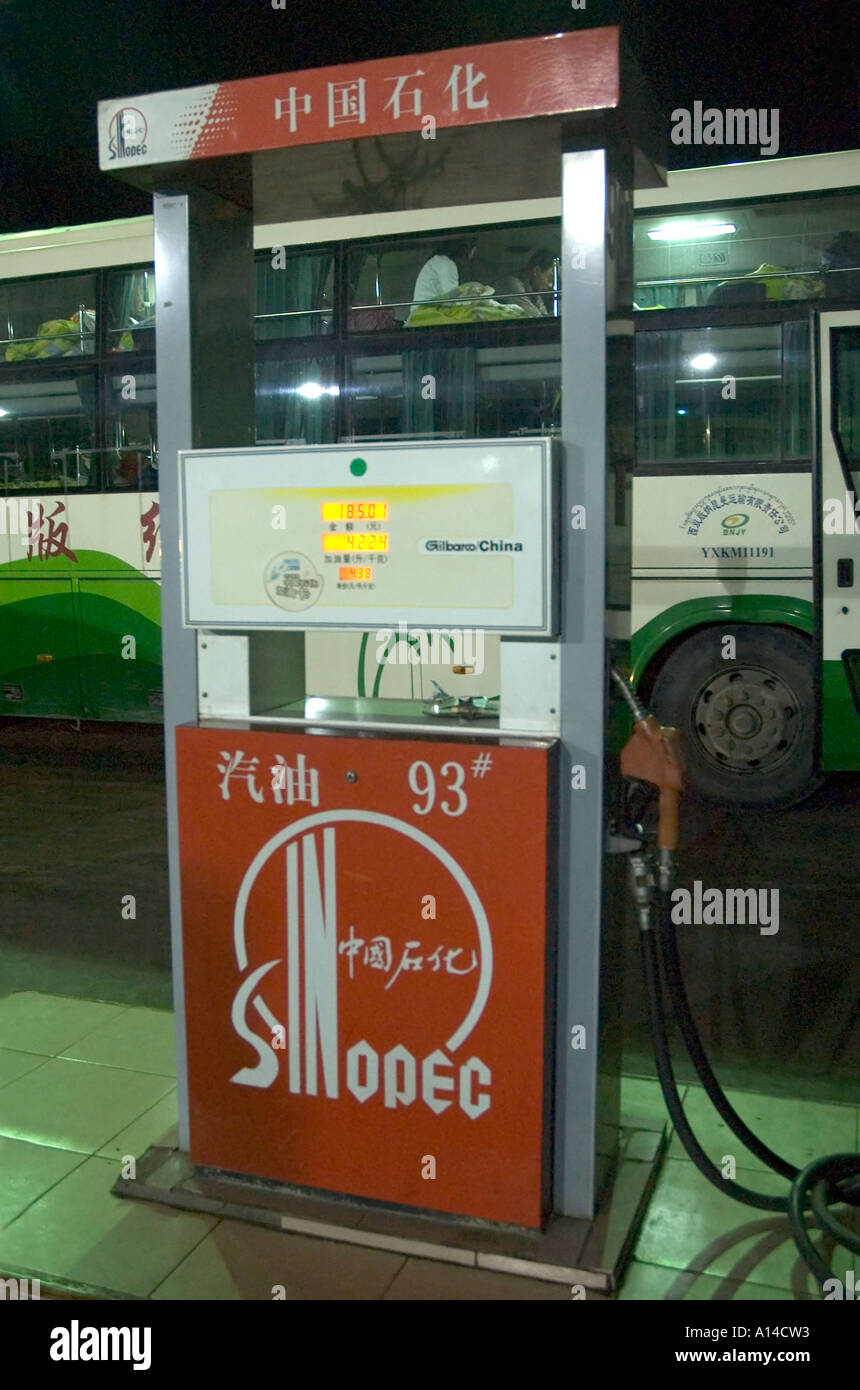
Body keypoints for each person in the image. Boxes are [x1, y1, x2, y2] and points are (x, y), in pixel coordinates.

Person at [410, 239, 477, 310]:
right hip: (425, 314)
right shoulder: (446, 264)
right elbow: (453, 299)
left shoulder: (438, 261)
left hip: (423, 312)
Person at [497, 248, 556, 317]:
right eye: (549, 278)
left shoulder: (534, 292)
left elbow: (544, 315)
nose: (550, 284)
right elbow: (533, 316)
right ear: (536, 271)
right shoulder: (511, 283)